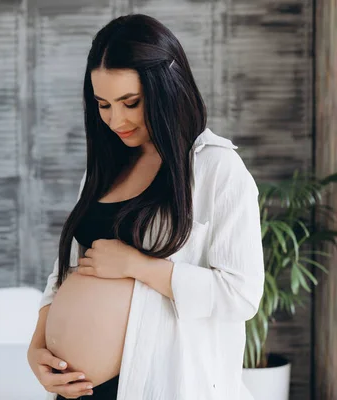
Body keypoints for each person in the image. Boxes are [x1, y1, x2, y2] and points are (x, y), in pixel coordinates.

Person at [26, 14, 265, 400]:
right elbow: (66, 270)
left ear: (166, 89)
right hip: (76, 391)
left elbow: (241, 294)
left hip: (159, 385)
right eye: (103, 104)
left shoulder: (216, 169)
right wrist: (38, 347)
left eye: (130, 102)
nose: (115, 119)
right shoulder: (105, 167)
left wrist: (139, 266)